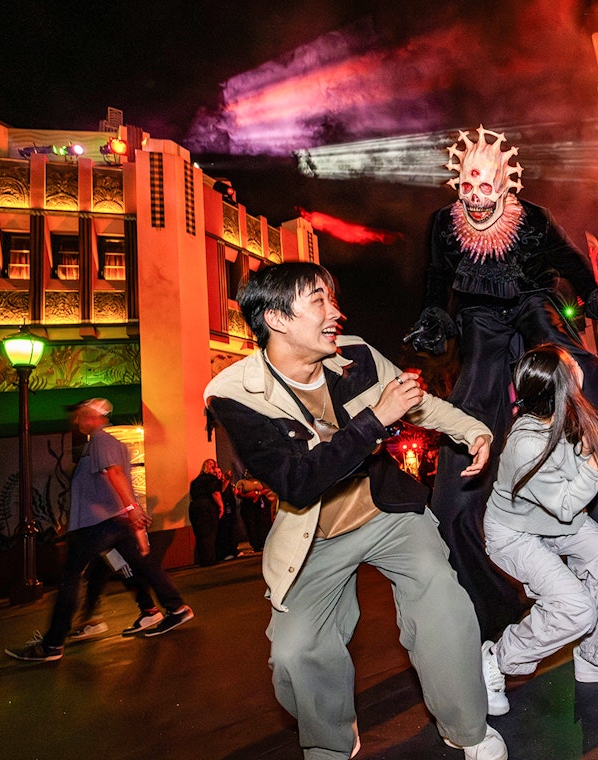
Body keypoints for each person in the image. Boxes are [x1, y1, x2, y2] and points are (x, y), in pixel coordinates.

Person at [204, 262, 507, 760]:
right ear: (277, 319)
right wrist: (374, 420)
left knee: (443, 605)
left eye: (333, 299)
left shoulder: (357, 355)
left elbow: (416, 403)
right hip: (313, 533)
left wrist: (473, 430)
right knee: (295, 653)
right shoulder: (233, 394)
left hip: (387, 511)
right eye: (319, 301)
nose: (336, 313)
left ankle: (467, 729)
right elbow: (296, 482)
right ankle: (330, 745)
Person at [405, 126, 598, 654]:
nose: (477, 196)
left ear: (506, 184)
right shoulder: (444, 227)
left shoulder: (531, 220)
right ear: (458, 184)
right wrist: (432, 320)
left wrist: (596, 300)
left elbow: (571, 262)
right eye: (468, 185)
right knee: (472, 404)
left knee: (577, 368)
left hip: (532, 306)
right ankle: (486, 611)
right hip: (479, 323)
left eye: (487, 185)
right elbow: (435, 280)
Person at [482, 346, 598, 715]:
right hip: (515, 533)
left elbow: (566, 493)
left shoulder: (560, 415)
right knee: (574, 608)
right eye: (570, 365)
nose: (576, 364)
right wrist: (593, 459)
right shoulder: (526, 443)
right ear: (559, 387)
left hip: (553, 522)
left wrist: (585, 452)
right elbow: (569, 502)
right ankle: (496, 659)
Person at [5, 398, 194, 662]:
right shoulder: (106, 443)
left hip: (97, 524)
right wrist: (130, 511)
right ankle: (174, 608)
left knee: (71, 578)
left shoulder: (101, 440)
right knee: (142, 565)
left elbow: (115, 474)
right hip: (112, 522)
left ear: (96, 417)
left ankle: (52, 644)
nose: (78, 420)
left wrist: (132, 509)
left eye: (82, 415)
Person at [189, 459, 227, 565]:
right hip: (207, 507)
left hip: (195, 507)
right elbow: (215, 493)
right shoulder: (211, 479)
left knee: (200, 534)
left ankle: (203, 559)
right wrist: (221, 506)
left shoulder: (196, 481)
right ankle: (210, 560)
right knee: (210, 533)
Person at [234, 470, 273, 551]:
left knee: (261, 523)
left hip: (260, 505)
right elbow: (239, 493)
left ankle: (263, 543)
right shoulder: (241, 482)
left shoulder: (258, 481)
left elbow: (267, 489)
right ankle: (256, 545)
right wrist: (252, 495)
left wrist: (257, 494)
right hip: (248, 505)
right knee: (251, 525)